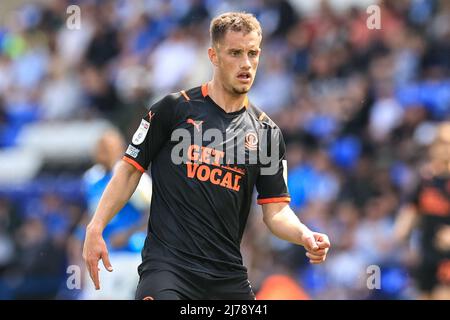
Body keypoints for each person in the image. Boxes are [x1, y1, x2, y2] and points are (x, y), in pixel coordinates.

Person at [83, 12, 330, 300]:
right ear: (213, 56)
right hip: (168, 270)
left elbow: (276, 212)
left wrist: (303, 234)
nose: (246, 63)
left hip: (226, 277)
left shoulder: (266, 133)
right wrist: (96, 226)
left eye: (252, 53)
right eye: (235, 53)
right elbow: (128, 171)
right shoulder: (171, 110)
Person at [73, 129, 151, 299]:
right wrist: (77, 244)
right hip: (102, 256)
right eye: (100, 148)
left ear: (120, 148)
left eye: (107, 147)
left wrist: (129, 233)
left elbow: (153, 212)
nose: (103, 152)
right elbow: (91, 213)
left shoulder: (134, 177)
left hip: (131, 254)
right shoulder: (91, 179)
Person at [394, 122, 450, 300]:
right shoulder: (425, 178)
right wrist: (400, 236)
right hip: (427, 255)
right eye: (440, 142)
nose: (443, 148)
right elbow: (411, 210)